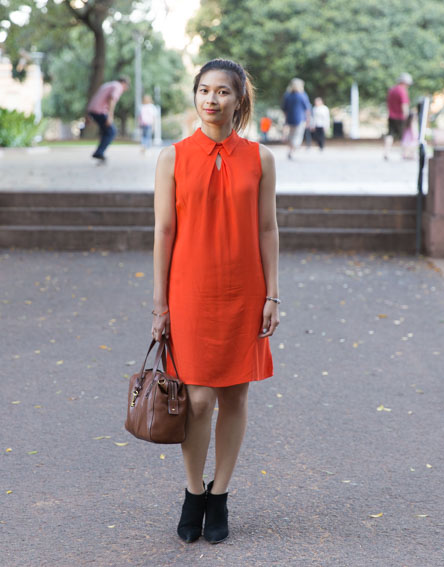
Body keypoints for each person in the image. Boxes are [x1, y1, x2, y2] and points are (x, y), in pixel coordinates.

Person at [151, 58, 279, 544]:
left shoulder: (261, 158)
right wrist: (159, 304)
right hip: (190, 292)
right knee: (198, 399)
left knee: (235, 395)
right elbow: (164, 232)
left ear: (239, 99)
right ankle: (192, 492)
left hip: (245, 289)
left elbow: (267, 228)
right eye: (204, 90)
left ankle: (220, 494)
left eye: (222, 91)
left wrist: (272, 293)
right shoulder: (172, 158)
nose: (211, 100)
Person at [86, 76, 129, 163]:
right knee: (111, 131)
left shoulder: (107, 85)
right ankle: (99, 152)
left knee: (106, 131)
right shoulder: (118, 86)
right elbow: (112, 100)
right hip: (100, 111)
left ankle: (99, 152)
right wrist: (110, 116)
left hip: (93, 110)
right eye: (126, 87)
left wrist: (87, 114)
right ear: (124, 83)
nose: (125, 89)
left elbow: (95, 98)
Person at [384, 73, 412, 161]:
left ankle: (386, 152)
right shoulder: (402, 91)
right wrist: (406, 116)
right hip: (400, 117)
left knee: (390, 134)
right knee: (404, 135)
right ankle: (405, 153)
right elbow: (404, 105)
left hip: (391, 115)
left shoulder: (392, 90)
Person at [281, 77, 311, 159]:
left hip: (290, 119)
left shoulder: (287, 95)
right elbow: (307, 109)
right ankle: (293, 149)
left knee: (291, 136)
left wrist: (286, 118)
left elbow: (284, 109)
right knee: (297, 136)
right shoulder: (303, 95)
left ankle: (291, 150)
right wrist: (308, 119)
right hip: (300, 119)